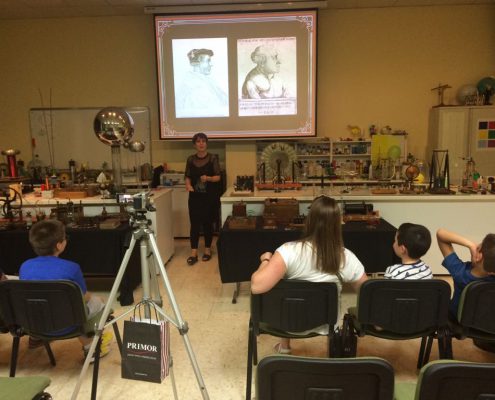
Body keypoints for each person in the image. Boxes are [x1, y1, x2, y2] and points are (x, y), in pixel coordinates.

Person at [250, 195, 368, 354]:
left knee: (286, 285)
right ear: (337, 224)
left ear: (309, 221)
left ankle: (284, 346)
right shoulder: (346, 257)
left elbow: (257, 286)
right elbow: (368, 294)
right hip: (325, 324)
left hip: (284, 322)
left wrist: (266, 260)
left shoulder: (288, 251)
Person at [19, 219, 112, 359]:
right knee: (98, 303)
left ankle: (36, 339)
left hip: (34, 325)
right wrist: (97, 298)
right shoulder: (71, 268)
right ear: (59, 245)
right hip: (68, 324)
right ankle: (90, 347)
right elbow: (83, 297)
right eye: (65, 238)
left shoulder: (25, 266)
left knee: (54, 306)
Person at [436, 228, 495, 317]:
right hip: (486, 324)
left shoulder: (459, 272)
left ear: (479, 256)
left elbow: (441, 234)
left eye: (478, 246)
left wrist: (470, 244)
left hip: (458, 322)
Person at [185, 132, 221, 266]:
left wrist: (209, 178)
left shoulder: (212, 158)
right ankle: (193, 252)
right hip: (194, 196)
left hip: (209, 196)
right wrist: (188, 185)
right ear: (194, 144)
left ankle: (207, 250)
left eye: (203, 141)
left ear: (206, 143)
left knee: (207, 223)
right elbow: (187, 175)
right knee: (194, 224)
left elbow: (218, 177)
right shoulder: (190, 159)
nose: (201, 144)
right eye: (198, 142)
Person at [175, 48, 229, 118]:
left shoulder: (208, 80)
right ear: (196, 64)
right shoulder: (192, 84)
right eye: (208, 61)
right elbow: (215, 107)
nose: (211, 64)